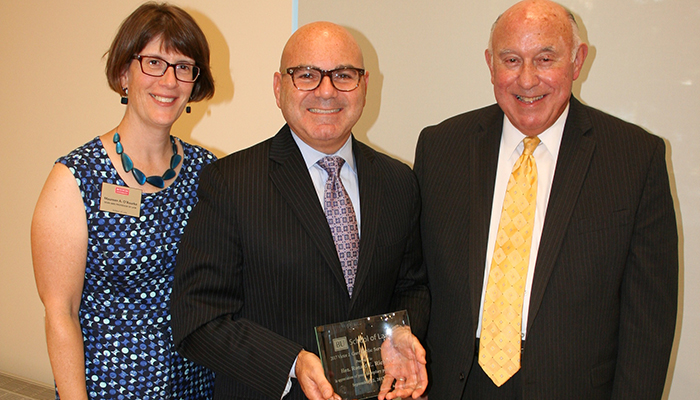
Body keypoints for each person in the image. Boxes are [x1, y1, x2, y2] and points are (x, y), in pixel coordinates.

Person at [414, 1, 678, 399]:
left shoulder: (634, 158)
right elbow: (414, 280)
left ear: (577, 61)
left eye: (545, 58)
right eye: (511, 59)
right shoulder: (440, 148)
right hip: (456, 385)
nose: (526, 79)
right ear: (490, 64)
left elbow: (649, 324)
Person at [171, 21, 430, 400]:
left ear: (364, 86)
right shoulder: (230, 182)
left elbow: (412, 286)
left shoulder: (398, 181)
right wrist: (291, 363)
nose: (326, 91)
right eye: (307, 75)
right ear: (279, 88)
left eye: (343, 75)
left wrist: (401, 332)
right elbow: (198, 319)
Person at [31, 3, 216, 399]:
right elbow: (60, 314)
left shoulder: (208, 172)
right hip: (109, 389)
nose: (169, 80)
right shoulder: (75, 180)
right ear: (123, 74)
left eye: (184, 66)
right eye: (153, 62)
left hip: (197, 386)